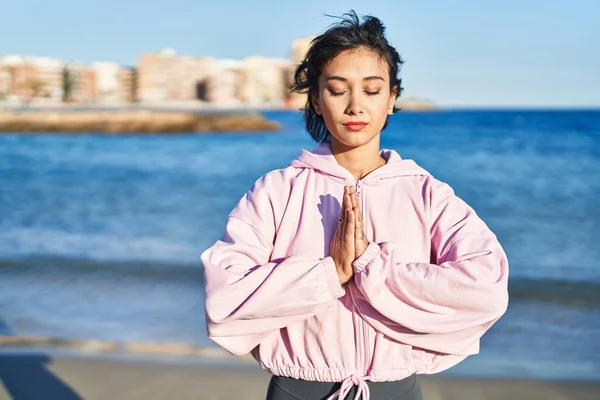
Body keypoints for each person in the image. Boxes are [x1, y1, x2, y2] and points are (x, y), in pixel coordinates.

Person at [201, 11, 509, 400]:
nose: (355, 106)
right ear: (315, 99)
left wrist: (369, 271)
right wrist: (329, 274)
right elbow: (224, 296)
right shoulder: (275, 191)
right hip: (298, 390)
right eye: (337, 89)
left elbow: (486, 289)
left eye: (372, 89)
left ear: (392, 98)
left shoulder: (429, 195)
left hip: (395, 389)